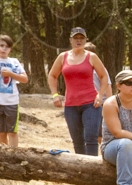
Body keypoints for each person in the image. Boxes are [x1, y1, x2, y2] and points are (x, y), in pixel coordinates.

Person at [47, 27, 112, 155]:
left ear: (85, 40)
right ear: (70, 40)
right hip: (71, 105)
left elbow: (104, 76)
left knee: (91, 138)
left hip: (91, 104)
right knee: (77, 140)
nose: (78, 40)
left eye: (81, 38)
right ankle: (80, 170)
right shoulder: (63, 57)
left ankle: (91, 170)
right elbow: (52, 75)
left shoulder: (91, 56)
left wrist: (100, 95)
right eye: (76, 38)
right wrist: (55, 95)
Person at [0, 35, 28, 147]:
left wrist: (11, 74)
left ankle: (13, 155)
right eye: (1, 46)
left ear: (10, 49)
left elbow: (25, 79)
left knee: (12, 132)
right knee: (1, 132)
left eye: (7, 47)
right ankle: (4, 156)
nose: (4, 49)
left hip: (11, 102)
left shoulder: (14, 61)